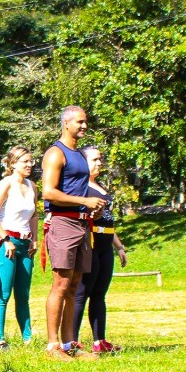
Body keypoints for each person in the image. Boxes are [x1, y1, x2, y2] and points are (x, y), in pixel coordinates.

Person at [40, 106, 107, 360]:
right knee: (60, 284)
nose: (84, 126)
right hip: (63, 225)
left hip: (82, 225)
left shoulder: (78, 154)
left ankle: (70, 344)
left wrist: (92, 209)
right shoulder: (56, 153)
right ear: (66, 123)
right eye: (80, 122)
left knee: (75, 285)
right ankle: (52, 346)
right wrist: (84, 201)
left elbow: (77, 192)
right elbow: (48, 192)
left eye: (85, 122)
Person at [73, 145, 128, 354]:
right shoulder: (80, 188)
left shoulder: (100, 186)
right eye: (94, 159)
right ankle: (72, 340)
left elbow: (108, 222)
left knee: (99, 294)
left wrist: (119, 246)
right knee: (82, 293)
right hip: (91, 244)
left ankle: (100, 341)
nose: (99, 163)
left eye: (100, 159)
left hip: (106, 245)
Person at [0, 146, 38, 349]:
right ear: (13, 163)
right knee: (3, 293)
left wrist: (34, 239)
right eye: (25, 161)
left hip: (25, 245)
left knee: (23, 295)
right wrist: (5, 239)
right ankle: (0, 339)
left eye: (31, 161)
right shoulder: (6, 184)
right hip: (5, 244)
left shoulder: (32, 186)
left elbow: (34, 215)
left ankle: (28, 339)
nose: (29, 165)